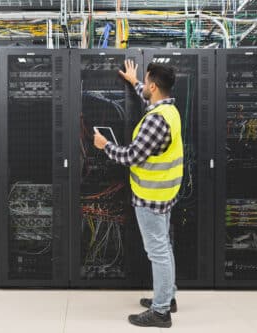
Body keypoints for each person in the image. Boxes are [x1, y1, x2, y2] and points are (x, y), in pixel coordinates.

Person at [93, 60, 183, 328]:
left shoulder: (156, 121)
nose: (145, 85)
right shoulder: (169, 109)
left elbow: (132, 155)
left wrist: (104, 145)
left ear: (154, 86)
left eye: (146, 81)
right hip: (165, 193)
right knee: (164, 247)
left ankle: (161, 312)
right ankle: (168, 297)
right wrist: (134, 82)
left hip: (151, 197)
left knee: (158, 251)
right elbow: (149, 101)